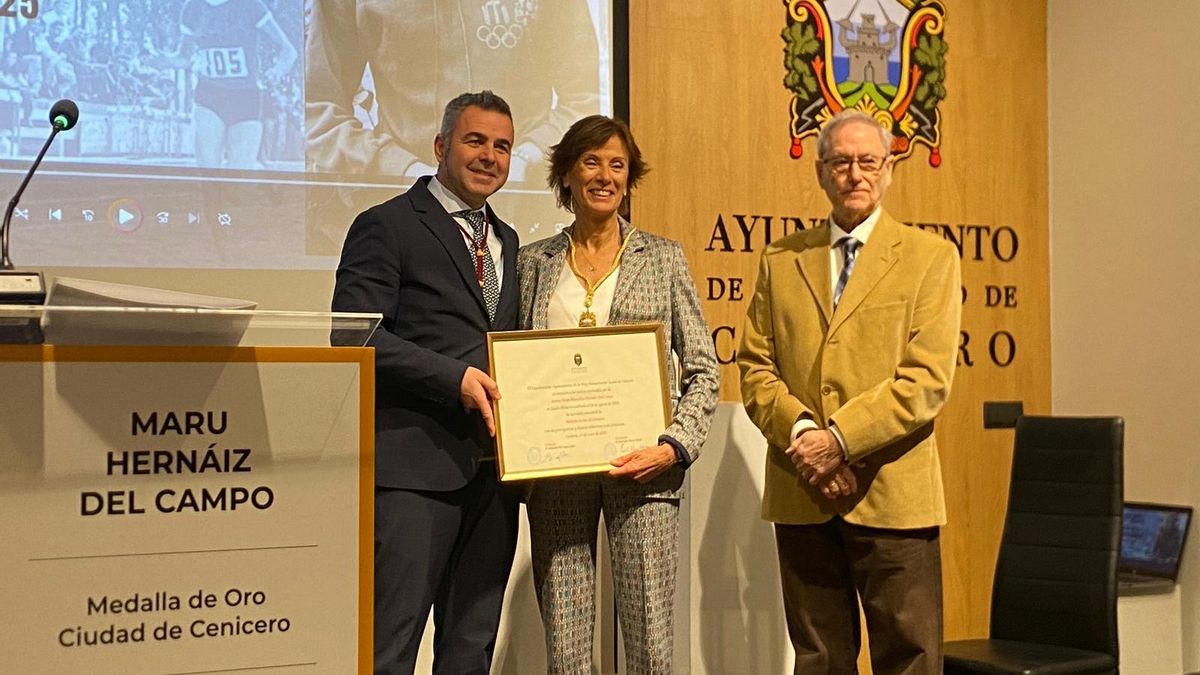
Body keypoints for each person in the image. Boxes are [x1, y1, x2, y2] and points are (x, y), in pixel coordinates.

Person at [737, 109, 962, 674]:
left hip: (893, 494)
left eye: (868, 161)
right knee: (818, 660)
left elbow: (926, 381)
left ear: (889, 169)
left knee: (908, 658)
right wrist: (808, 436)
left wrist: (839, 439)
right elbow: (756, 369)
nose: (855, 174)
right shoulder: (781, 259)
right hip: (802, 493)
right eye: (841, 162)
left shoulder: (930, 258)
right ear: (820, 172)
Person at [516, 115, 720, 674]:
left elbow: (704, 367)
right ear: (567, 174)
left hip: (646, 466)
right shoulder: (532, 263)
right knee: (565, 637)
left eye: (617, 165)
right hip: (557, 471)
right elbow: (515, 368)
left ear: (629, 179)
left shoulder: (664, 257)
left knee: (651, 636)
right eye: (591, 161)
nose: (604, 176)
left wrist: (674, 446)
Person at [332, 90, 521, 675]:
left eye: (502, 146)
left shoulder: (508, 241)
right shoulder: (384, 226)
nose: (489, 156)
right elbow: (355, 336)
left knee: (471, 647)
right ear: (440, 146)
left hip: (494, 475)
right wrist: (454, 379)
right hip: (412, 476)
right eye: (475, 141)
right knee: (391, 646)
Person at [178, 0, 298, 168]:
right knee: (207, 172)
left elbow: (289, 51)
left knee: (239, 176)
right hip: (208, 94)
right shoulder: (193, 7)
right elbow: (183, 58)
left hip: (245, 96)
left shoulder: (250, 5)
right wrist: (156, 61)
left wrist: (278, 69)